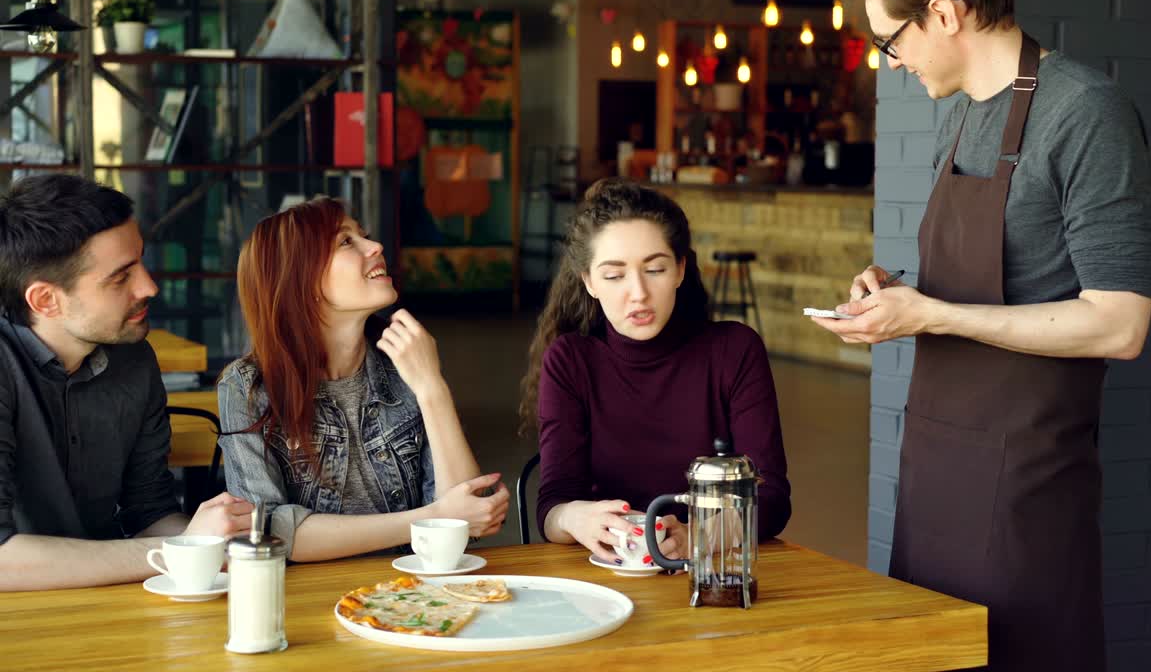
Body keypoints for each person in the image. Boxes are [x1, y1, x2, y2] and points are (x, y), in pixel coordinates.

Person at [819, 0, 1151, 670]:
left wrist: (934, 314)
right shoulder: (963, 117)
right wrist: (893, 290)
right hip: (937, 460)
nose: (892, 62)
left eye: (891, 42)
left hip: (1028, 475)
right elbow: (1000, 274)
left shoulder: (1086, 113)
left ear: (944, 15)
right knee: (934, 651)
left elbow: (1120, 324)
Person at [0, 174, 253, 591]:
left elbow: (149, 512)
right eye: (120, 277)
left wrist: (220, 545)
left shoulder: (133, 360)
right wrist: (183, 548)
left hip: (111, 606)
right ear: (46, 300)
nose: (149, 286)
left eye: (141, 261)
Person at [218, 198, 508, 562]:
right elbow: (266, 532)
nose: (376, 247)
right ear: (301, 278)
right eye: (346, 242)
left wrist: (432, 387)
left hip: (411, 593)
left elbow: (470, 518)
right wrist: (431, 518)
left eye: (364, 236)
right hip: (310, 602)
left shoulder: (405, 361)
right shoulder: (248, 387)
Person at [518, 178, 791, 562]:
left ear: (680, 269)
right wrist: (575, 517)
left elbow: (771, 497)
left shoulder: (734, 350)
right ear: (589, 282)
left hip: (710, 573)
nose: (639, 293)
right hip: (608, 577)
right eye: (614, 275)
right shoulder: (571, 361)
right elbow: (553, 506)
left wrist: (697, 536)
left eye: (656, 269)